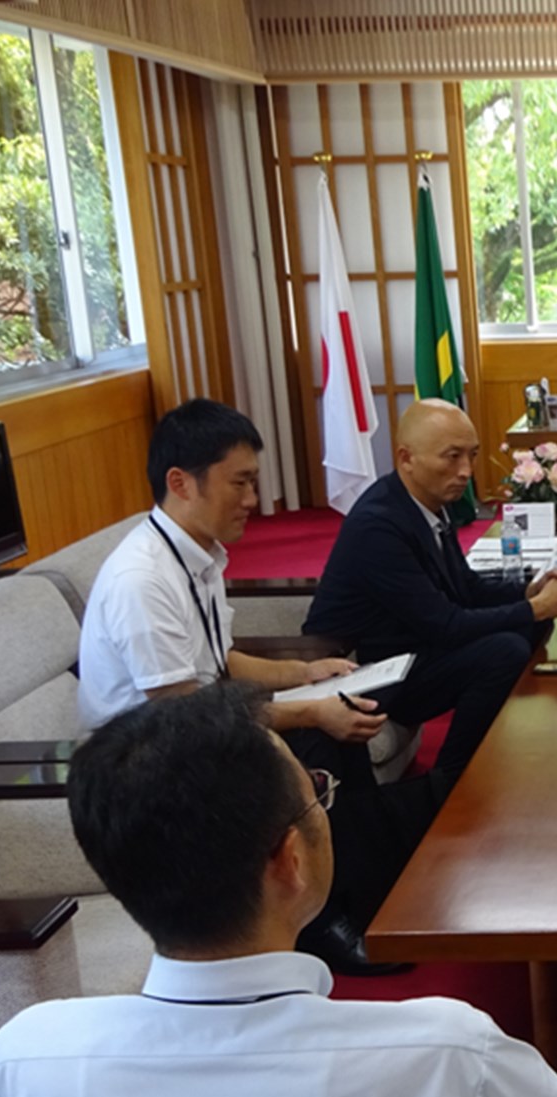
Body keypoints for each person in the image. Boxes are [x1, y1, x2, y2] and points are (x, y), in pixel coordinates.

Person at [0, 684, 557, 1097]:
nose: (323, 804)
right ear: (290, 860)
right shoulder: (447, 1055)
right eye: (317, 791)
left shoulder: (26, 1061)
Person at [77, 398, 429, 976]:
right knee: (320, 738)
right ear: (180, 482)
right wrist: (311, 713)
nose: (252, 500)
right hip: (145, 761)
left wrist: (306, 674)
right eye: (239, 483)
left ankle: (363, 894)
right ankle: (327, 923)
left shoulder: (197, 556)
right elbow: (183, 712)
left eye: (253, 482)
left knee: (341, 713)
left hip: (188, 726)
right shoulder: (142, 580)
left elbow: (221, 661)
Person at [305, 398, 557, 782]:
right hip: (371, 671)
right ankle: (453, 778)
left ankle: (510, 745)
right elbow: (446, 624)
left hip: (414, 647)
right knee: (504, 650)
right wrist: (534, 608)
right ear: (406, 458)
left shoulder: (428, 501)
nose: (466, 471)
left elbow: (464, 586)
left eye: (472, 455)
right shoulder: (378, 525)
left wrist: (527, 592)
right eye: (452, 457)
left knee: (525, 626)